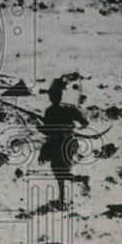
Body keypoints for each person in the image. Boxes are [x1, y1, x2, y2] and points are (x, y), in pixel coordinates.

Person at [38, 77, 90, 207]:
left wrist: (39, 127)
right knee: (60, 172)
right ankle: (63, 197)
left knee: (59, 172)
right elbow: (84, 122)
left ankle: (77, 183)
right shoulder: (69, 108)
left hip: (59, 145)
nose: (51, 98)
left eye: (52, 95)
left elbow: (47, 131)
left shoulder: (50, 111)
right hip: (68, 143)